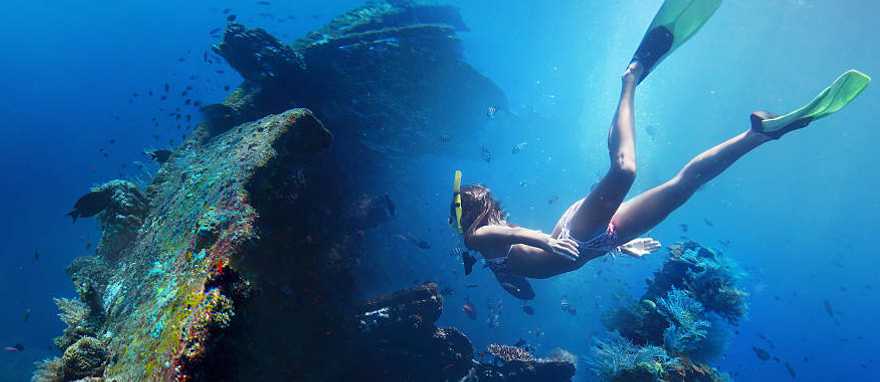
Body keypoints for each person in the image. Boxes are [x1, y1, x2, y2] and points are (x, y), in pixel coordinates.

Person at [449, 0, 869, 289]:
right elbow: (522, 277)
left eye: (457, 212)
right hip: (600, 243)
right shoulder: (487, 255)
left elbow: (516, 232)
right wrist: (617, 248)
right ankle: (758, 135)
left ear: (468, 212)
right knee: (683, 188)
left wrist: (546, 244)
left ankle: (630, 77)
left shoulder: (478, 237)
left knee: (625, 170)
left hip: (575, 233)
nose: (456, 220)